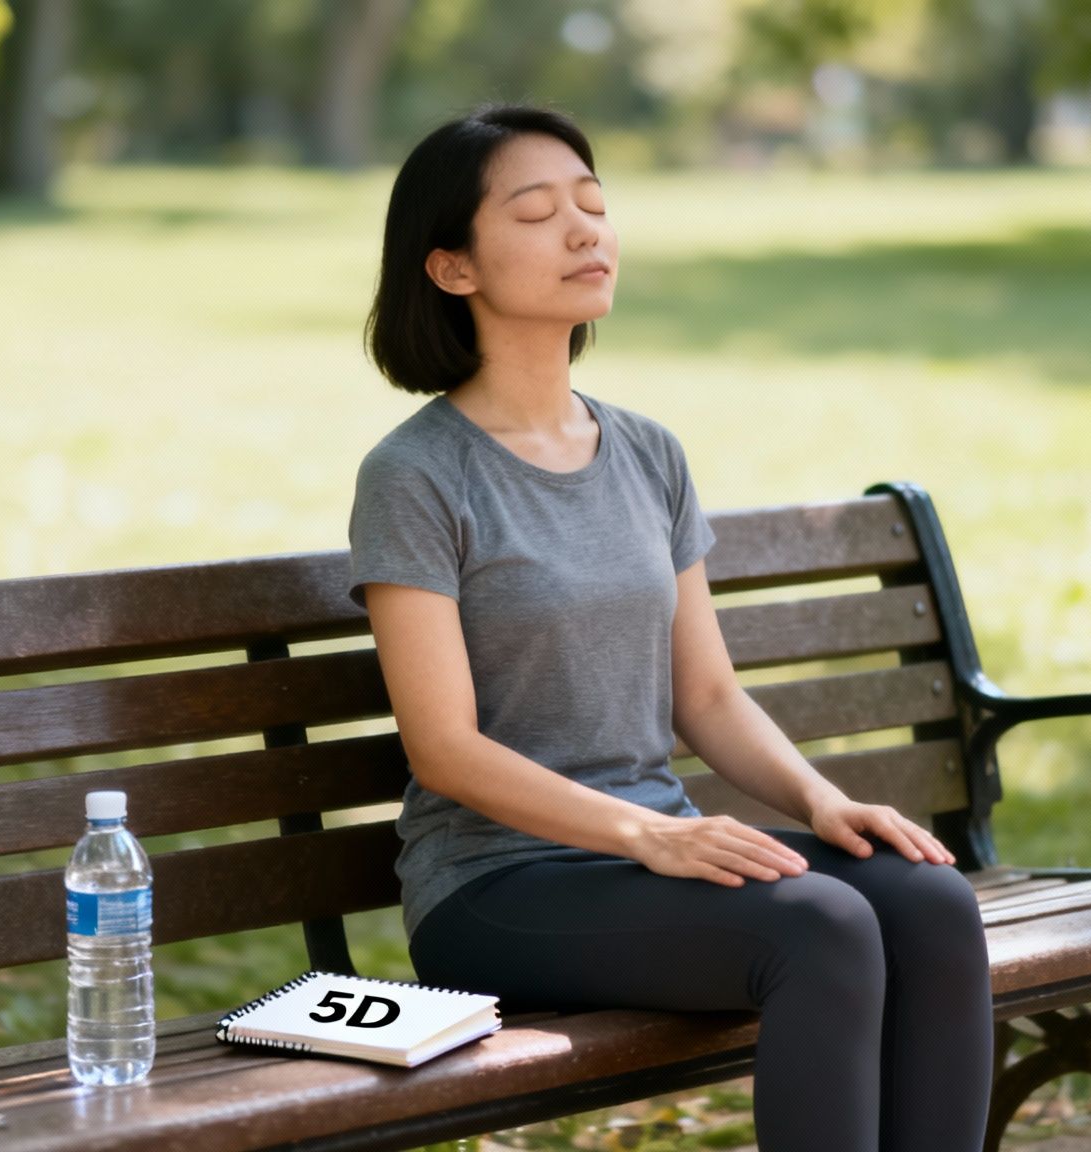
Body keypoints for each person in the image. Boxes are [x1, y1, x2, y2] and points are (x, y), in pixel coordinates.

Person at [347, 101, 993, 1152]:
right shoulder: (415, 475)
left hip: (652, 860)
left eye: (593, 206)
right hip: (498, 884)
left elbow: (707, 697)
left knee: (927, 901)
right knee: (819, 928)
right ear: (452, 267)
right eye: (537, 212)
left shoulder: (646, 452)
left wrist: (824, 803)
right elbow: (446, 749)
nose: (583, 231)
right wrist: (647, 832)